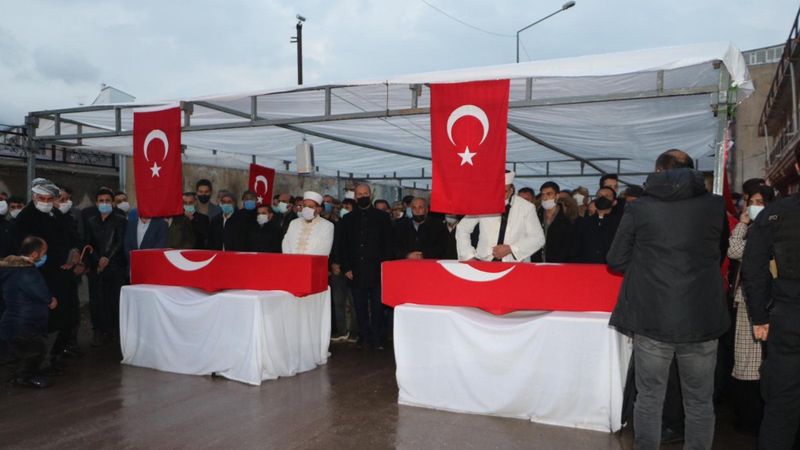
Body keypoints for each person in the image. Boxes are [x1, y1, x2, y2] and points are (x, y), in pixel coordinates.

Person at [607, 149, 729, 450]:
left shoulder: (641, 208)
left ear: (659, 171)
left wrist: (648, 267)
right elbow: (719, 253)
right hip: (702, 317)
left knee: (649, 397)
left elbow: (616, 259)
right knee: (699, 400)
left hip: (653, 316)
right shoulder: (715, 206)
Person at [741, 149, 800, 450]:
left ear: (797, 167)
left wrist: (760, 317)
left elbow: (753, 269)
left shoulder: (774, 214)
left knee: (781, 406)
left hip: (788, 318)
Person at [14, 179, 82, 365]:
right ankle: (35, 363)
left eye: (49, 199)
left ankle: (57, 353)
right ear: (34, 197)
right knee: (44, 320)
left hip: (63, 276)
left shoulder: (56, 213)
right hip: (42, 276)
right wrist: (62, 258)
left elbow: (71, 236)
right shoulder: (26, 218)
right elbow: (29, 250)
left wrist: (74, 252)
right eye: (41, 198)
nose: (45, 202)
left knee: (66, 316)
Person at [727, 185, 774, 435]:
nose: (754, 206)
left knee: (753, 361)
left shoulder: (768, 230)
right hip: (749, 301)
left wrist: (743, 224)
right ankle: (750, 416)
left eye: (759, 202)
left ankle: (753, 418)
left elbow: (735, 250)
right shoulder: (758, 229)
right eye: (750, 202)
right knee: (748, 360)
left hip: (759, 302)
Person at [334, 183, 394, 350]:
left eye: (365, 193)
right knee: (359, 307)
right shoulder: (347, 219)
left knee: (377, 307)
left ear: (371, 194)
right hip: (355, 271)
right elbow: (342, 246)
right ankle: (364, 336)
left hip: (377, 270)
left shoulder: (382, 218)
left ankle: (378, 338)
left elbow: (388, 245)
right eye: (359, 194)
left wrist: (385, 268)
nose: (362, 196)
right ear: (355, 197)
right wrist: (346, 267)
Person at [0, 237, 57, 388]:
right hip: (25, 323)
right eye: (43, 253)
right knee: (37, 351)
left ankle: (21, 376)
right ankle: (24, 377)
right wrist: (50, 300)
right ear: (34, 254)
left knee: (28, 352)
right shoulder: (27, 273)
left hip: (12, 323)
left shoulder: (10, 269)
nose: (45, 256)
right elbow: (41, 293)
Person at [456, 171, 545, 262]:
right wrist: (468, 256)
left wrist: (511, 249)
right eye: (497, 190)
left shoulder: (526, 207)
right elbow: (462, 228)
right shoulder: (483, 203)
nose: (500, 195)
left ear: (511, 190)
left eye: (505, 191)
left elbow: (538, 238)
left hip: (513, 263)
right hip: (484, 262)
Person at [87, 188, 129, 347]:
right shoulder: (91, 221)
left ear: (112, 203)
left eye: (107, 201)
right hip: (96, 268)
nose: (104, 203)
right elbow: (88, 244)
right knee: (97, 301)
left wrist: (107, 258)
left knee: (115, 301)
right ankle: (98, 331)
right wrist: (97, 260)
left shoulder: (121, 220)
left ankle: (115, 332)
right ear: (96, 203)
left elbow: (120, 242)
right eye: (101, 201)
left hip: (115, 267)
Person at [573, 187, 622, 263]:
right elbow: (575, 249)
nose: (602, 198)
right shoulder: (583, 223)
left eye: (607, 196)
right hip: (587, 267)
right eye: (599, 196)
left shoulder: (621, 224)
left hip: (612, 267)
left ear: (614, 202)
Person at [532, 181, 573, 263]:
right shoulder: (535, 216)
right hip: (537, 263)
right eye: (543, 194)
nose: (545, 197)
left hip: (560, 263)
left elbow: (570, 245)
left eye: (549, 194)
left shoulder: (568, 218)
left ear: (557, 196)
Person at [282, 191, 334, 256]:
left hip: (312, 262)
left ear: (319, 209)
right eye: (304, 206)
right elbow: (286, 244)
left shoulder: (327, 226)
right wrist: (291, 259)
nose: (306, 209)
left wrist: (305, 260)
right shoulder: (294, 223)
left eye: (310, 207)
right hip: (291, 261)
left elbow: (323, 250)